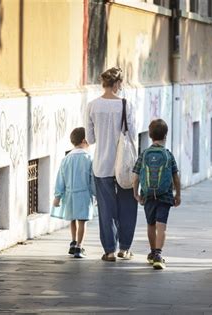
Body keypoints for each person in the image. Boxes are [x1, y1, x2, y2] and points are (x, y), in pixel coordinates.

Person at [84, 67, 138, 262]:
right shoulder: (126, 105)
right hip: (124, 166)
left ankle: (109, 251)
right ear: (117, 84)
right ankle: (124, 248)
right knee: (128, 206)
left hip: (102, 164)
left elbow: (89, 138)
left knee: (106, 210)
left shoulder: (92, 106)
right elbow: (132, 134)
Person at [132, 119, 181, 270]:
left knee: (151, 224)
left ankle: (153, 252)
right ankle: (159, 255)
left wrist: (136, 193)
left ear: (151, 135)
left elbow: (136, 176)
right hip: (165, 195)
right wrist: (177, 194)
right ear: (165, 135)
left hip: (148, 195)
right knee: (162, 226)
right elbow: (175, 176)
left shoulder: (144, 154)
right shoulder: (168, 154)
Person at [52, 127, 95, 258]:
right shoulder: (88, 158)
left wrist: (57, 196)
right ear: (84, 140)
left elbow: (61, 178)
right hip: (83, 194)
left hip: (69, 195)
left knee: (73, 220)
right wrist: (96, 194)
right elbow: (92, 179)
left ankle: (73, 241)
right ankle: (79, 247)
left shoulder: (66, 158)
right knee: (82, 221)